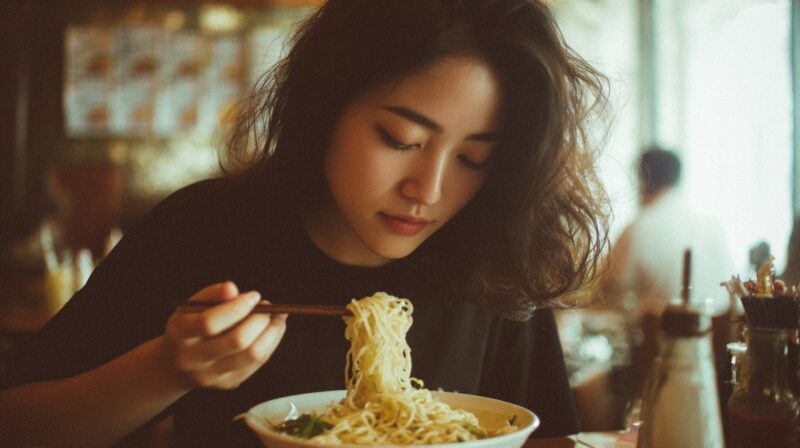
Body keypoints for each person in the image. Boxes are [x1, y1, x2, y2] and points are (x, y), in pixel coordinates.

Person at [0, 1, 611, 446]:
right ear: (324, 107)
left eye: (474, 158)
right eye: (399, 139)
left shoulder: (492, 260)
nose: (427, 191)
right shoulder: (203, 227)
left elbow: (546, 437)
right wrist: (166, 369)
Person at [598, 146, 734, 398]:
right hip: (715, 369)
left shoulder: (639, 227)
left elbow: (609, 286)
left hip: (660, 366)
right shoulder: (712, 225)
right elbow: (727, 292)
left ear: (643, 179)